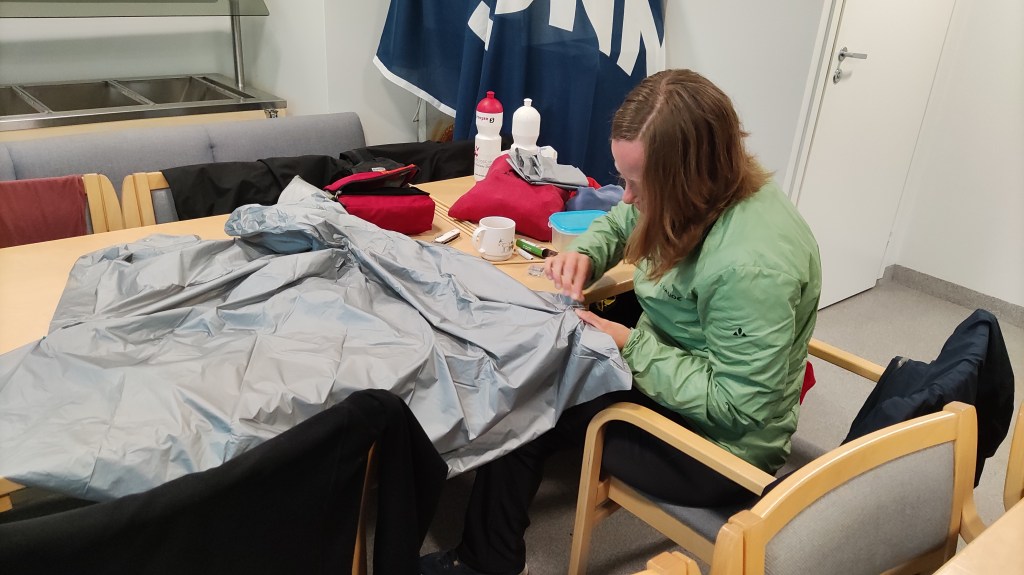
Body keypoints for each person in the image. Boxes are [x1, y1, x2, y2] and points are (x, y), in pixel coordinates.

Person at [420, 69, 821, 575]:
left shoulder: (751, 269)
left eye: (637, 184)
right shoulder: (714, 184)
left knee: (526, 403)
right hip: (681, 357)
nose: (626, 196)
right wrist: (587, 253)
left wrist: (629, 345)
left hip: (719, 452)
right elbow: (624, 218)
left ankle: (483, 562)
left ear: (688, 179)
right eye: (623, 179)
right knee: (558, 350)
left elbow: (738, 408)